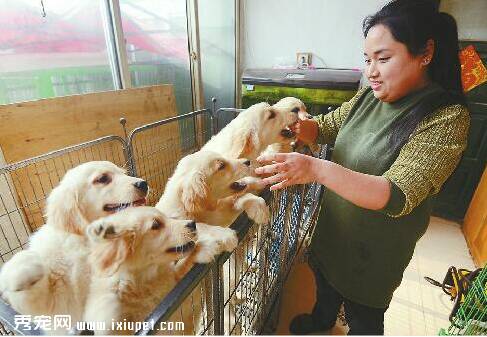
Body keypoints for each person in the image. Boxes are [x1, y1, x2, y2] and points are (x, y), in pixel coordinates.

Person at [255, 0, 470, 335]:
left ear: (425, 52)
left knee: (364, 319)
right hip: (335, 232)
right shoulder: (370, 97)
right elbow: (327, 126)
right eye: (367, 60)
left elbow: (397, 194)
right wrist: (294, 124)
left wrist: (315, 169)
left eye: (383, 59)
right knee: (324, 286)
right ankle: (321, 320)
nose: (371, 71)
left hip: (374, 253)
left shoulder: (446, 118)